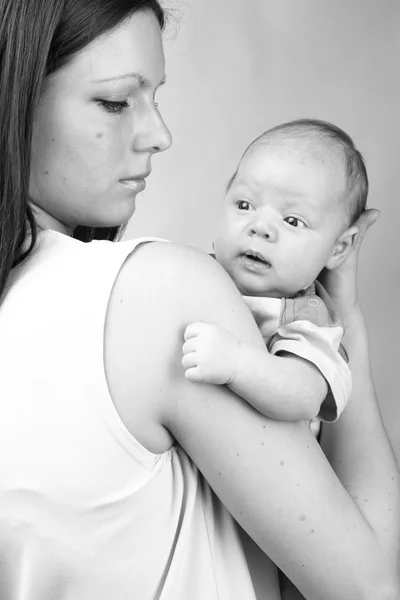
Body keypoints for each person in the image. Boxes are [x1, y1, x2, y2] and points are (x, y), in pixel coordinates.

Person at [0, 1, 399, 599]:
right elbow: (369, 589)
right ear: (14, 99)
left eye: (155, 96)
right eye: (115, 101)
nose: (160, 134)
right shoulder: (159, 292)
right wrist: (350, 326)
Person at [182, 119, 367, 437]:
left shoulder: (307, 321)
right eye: (244, 204)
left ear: (339, 248)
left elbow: (304, 395)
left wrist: (237, 363)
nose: (259, 226)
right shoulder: (195, 273)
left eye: (293, 220)